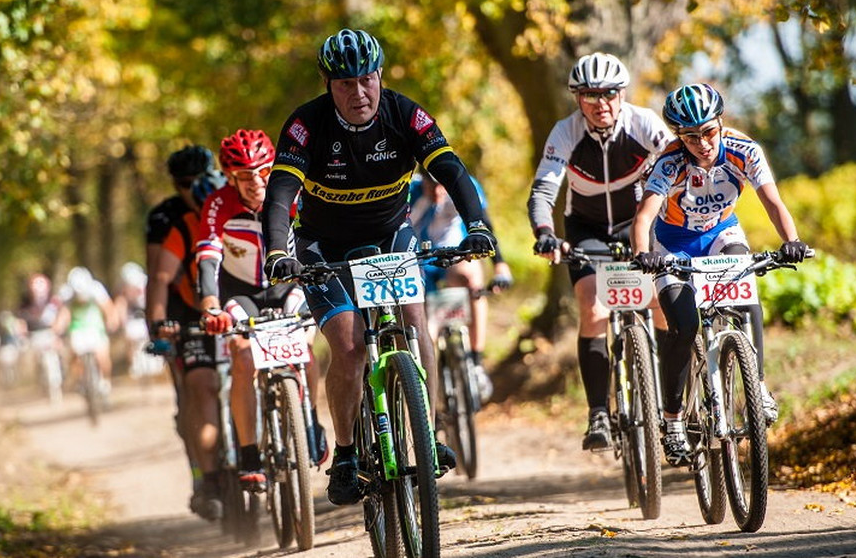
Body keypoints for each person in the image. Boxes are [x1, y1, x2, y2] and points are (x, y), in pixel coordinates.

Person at [260, 28, 498, 506]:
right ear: (328, 86)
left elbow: (451, 169)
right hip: (322, 245)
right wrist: (276, 252)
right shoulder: (307, 125)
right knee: (348, 347)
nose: (358, 92)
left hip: (390, 235)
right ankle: (346, 454)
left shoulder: (405, 113)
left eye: (366, 79)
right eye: (345, 83)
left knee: (415, 323)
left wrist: (478, 226)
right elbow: (281, 192)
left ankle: (427, 433)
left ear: (380, 76)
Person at [629, 82, 810, 465]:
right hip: (672, 242)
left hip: (720, 233)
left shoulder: (745, 150)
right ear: (680, 136)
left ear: (721, 123)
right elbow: (644, 217)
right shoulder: (670, 161)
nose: (703, 143)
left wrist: (791, 240)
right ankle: (674, 419)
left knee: (746, 297)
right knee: (683, 324)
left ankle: (757, 386)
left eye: (709, 131)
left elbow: (772, 201)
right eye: (691, 136)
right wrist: (643, 255)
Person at [527, 52, 675, 452]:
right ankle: (598, 412)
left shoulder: (643, 123)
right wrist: (544, 233)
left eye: (609, 93)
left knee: (660, 303)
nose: (601, 104)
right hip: (587, 229)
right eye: (590, 95)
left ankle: (670, 400)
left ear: (622, 93)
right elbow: (544, 191)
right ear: (578, 98)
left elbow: (679, 167)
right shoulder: (565, 132)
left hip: (638, 224)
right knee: (593, 309)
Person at [195, 129, 326, 492]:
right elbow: (208, 257)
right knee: (241, 356)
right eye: (245, 175)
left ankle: (311, 420)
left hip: (288, 286)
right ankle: (250, 453)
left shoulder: (292, 192)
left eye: (264, 172)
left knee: (305, 345)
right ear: (230, 177)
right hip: (242, 293)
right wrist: (210, 308)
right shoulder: (219, 204)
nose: (256, 182)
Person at [144, 144, 227, 520]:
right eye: (184, 184)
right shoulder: (166, 218)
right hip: (184, 305)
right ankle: (203, 476)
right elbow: (157, 276)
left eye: (201, 180)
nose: (193, 189)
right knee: (193, 391)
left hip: (234, 300)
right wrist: (158, 327)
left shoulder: (233, 200)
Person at [409, 170, 513, 402]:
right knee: (426, 330)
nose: (437, 191)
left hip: (451, 255)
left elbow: (485, 225)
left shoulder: (465, 185)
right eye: (431, 186)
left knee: (473, 280)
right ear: (422, 180)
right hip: (419, 262)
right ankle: (428, 396)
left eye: (441, 186)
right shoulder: (411, 192)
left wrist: (500, 266)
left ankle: (476, 363)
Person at [56, 266, 118, 396]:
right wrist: (58, 329)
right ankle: (81, 380)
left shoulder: (96, 289)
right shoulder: (67, 294)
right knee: (74, 354)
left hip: (96, 326)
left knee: (102, 355)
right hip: (77, 328)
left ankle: (105, 381)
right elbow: (64, 314)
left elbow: (108, 308)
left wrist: (111, 321)